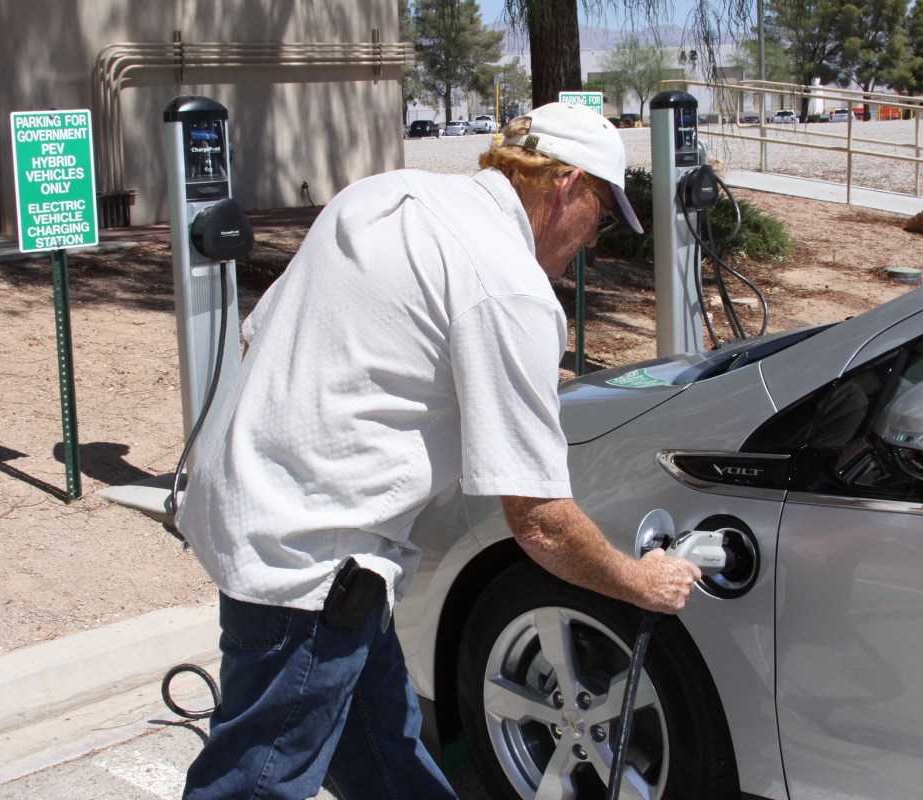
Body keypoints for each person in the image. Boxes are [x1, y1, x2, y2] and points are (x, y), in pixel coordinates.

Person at [176, 102, 703, 799]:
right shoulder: (510, 288)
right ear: (568, 186)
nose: (592, 243)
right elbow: (541, 523)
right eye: (601, 218)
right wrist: (642, 583)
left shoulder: (388, 194)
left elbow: (290, 335)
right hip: (311, 567)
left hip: (251, 512)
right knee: (255, 780)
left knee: (386, 757)